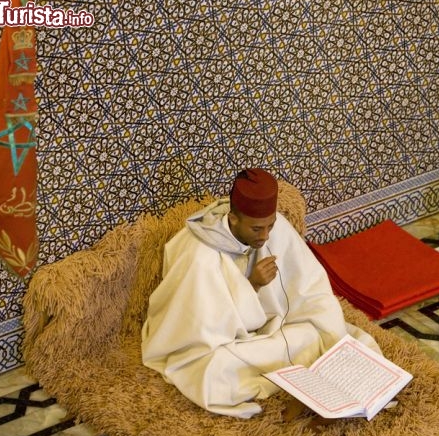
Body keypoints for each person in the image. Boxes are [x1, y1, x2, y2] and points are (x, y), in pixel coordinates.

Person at [141, 168, 380, 418]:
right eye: (257, 229)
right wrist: (252, 286)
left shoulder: (271, 229)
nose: (265, 237)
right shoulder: (200, 256)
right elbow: (204, 329)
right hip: (214, 342)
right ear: (233, 219)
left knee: (321, 328)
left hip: (268, 330)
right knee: (214, 373)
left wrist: (324, 322)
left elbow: (310, 288)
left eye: (270, 226)